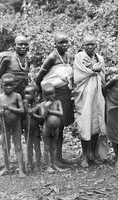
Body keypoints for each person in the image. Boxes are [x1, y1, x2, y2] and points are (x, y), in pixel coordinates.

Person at [35, 32, 75, 165]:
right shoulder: (52, 57)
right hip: (53, 93)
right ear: (55, 44)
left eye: (66, 42)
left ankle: (59, 157)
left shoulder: (68, 56)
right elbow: (38, 78)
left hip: (64, 92)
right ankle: (51, 159)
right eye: (61, 43)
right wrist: (44, 93)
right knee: (52, 124)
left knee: (61, 124)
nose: (64, 45)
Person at [73, 35, 107, 168]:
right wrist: (93, 69)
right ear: (83, 46)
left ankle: (93, 154)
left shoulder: (100, 58)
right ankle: (85, 157)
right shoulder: (79, 57)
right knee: (85, 123)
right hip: (84, 95)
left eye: (92, 44)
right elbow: (78, 75)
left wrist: (97, 70)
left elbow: (103, 75)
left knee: (95, 124)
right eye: (87, 44)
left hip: (97, 95)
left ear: (96, 45)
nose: (90, 46)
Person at [0, 73, 26, 178]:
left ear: (14, 85)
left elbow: (22, 110)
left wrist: (10, 108)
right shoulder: (0, 97)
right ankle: (7, 168)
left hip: (16, 124)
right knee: (5, 147)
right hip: (4, 125)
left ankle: (21, 170)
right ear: (1, 85)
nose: (9, 87)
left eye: (11, 85)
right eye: (6, 85)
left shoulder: (17, 96)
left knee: (18, 146)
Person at [41, 83, 63, 173]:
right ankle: (47, 166)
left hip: (56, 129)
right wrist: (46, 108)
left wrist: (50, 110)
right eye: (48, 94)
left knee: (53, 147)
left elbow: (61, 113)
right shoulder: (43, 104)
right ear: (44, 95)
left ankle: (53, 164)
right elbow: (43, 116)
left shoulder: (58, 102)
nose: (51, 96)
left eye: (52, 94)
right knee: (46, 147)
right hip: (47, 128)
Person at [23, 84, 43, 172]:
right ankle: (29, 164)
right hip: (27, 130)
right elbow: (22, 114)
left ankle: (38, 165)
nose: (25, 96)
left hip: (36, 130)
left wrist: (33, 114)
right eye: (25, 93)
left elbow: (42, 118)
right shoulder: (24, 104)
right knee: (29, 147)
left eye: (28, 94)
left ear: (35, 94)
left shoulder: (38, 105)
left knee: (37, 148)